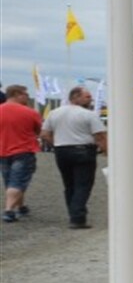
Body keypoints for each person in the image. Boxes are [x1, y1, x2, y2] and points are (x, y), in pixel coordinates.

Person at [41, 86, 107, 229]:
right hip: (83, 150)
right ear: (75, 97)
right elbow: (100, 136)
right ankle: (77, 218)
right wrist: (106, 151)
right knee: (83, 184)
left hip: (62, 151)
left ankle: (73, 213)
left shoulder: (54, 113)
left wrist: (56, 145)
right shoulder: (89, 115)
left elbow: (45, 134)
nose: (91, 99)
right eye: (87, 97)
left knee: (69, 184)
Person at [0, 83, 43, 223]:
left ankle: (21, 206)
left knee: (10, 180)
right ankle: (9, 211)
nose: (27, 97)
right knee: (17, 182)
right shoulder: (30, 112)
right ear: (17, 94)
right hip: (24, 150)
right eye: (26, 94)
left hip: (3, 151)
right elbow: (38, 131)